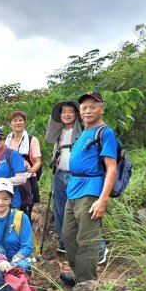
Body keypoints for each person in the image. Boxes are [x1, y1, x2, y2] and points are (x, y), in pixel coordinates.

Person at [61, 91, 118, 286]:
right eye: (84, 107)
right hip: (73, 190)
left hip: (90, 191)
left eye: (93, 106)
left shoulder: (105, 132)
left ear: (101, 108)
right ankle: (79, 274)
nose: (87, 111)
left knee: (87, 239)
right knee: (69, 236)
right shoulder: (85, 132)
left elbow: (111, 168)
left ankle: (87, 284)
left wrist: (102, 200)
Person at [45, 100, 83, 253]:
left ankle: (82, 244)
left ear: (76, 114)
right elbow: (52, 142)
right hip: (60, 174)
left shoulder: (83, 132)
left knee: (80, 210)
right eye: (63, 112)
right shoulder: (59, 133)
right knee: (59, 209)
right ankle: (64, 242)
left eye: (70, 112)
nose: (67, 114)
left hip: (77, 176)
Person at [5, 111, 42, 221]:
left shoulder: (31, 140)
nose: (18, 123)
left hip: (27, 181)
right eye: (15, 120)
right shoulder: (6, 140)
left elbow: (38, 161)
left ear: (25, 122)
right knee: (9, 211)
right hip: (10, 179)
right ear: (10, 123)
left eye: (21, 120)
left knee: (25, 213)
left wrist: (29, 173)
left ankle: (25, 236)